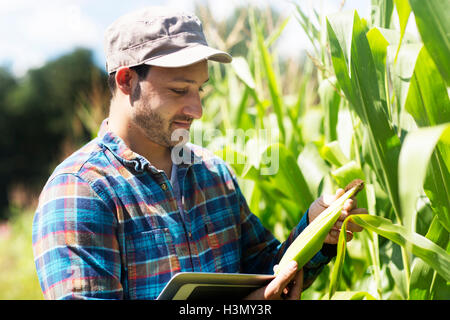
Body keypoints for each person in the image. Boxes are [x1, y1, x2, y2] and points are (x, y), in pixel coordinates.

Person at [32, 6, 367, 300]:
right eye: (179, 90)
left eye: (199, 89)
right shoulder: (81, 193)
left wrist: (315, 231)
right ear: (126, 80)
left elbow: (268, 269)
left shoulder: (214, 174)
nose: (197, 109)